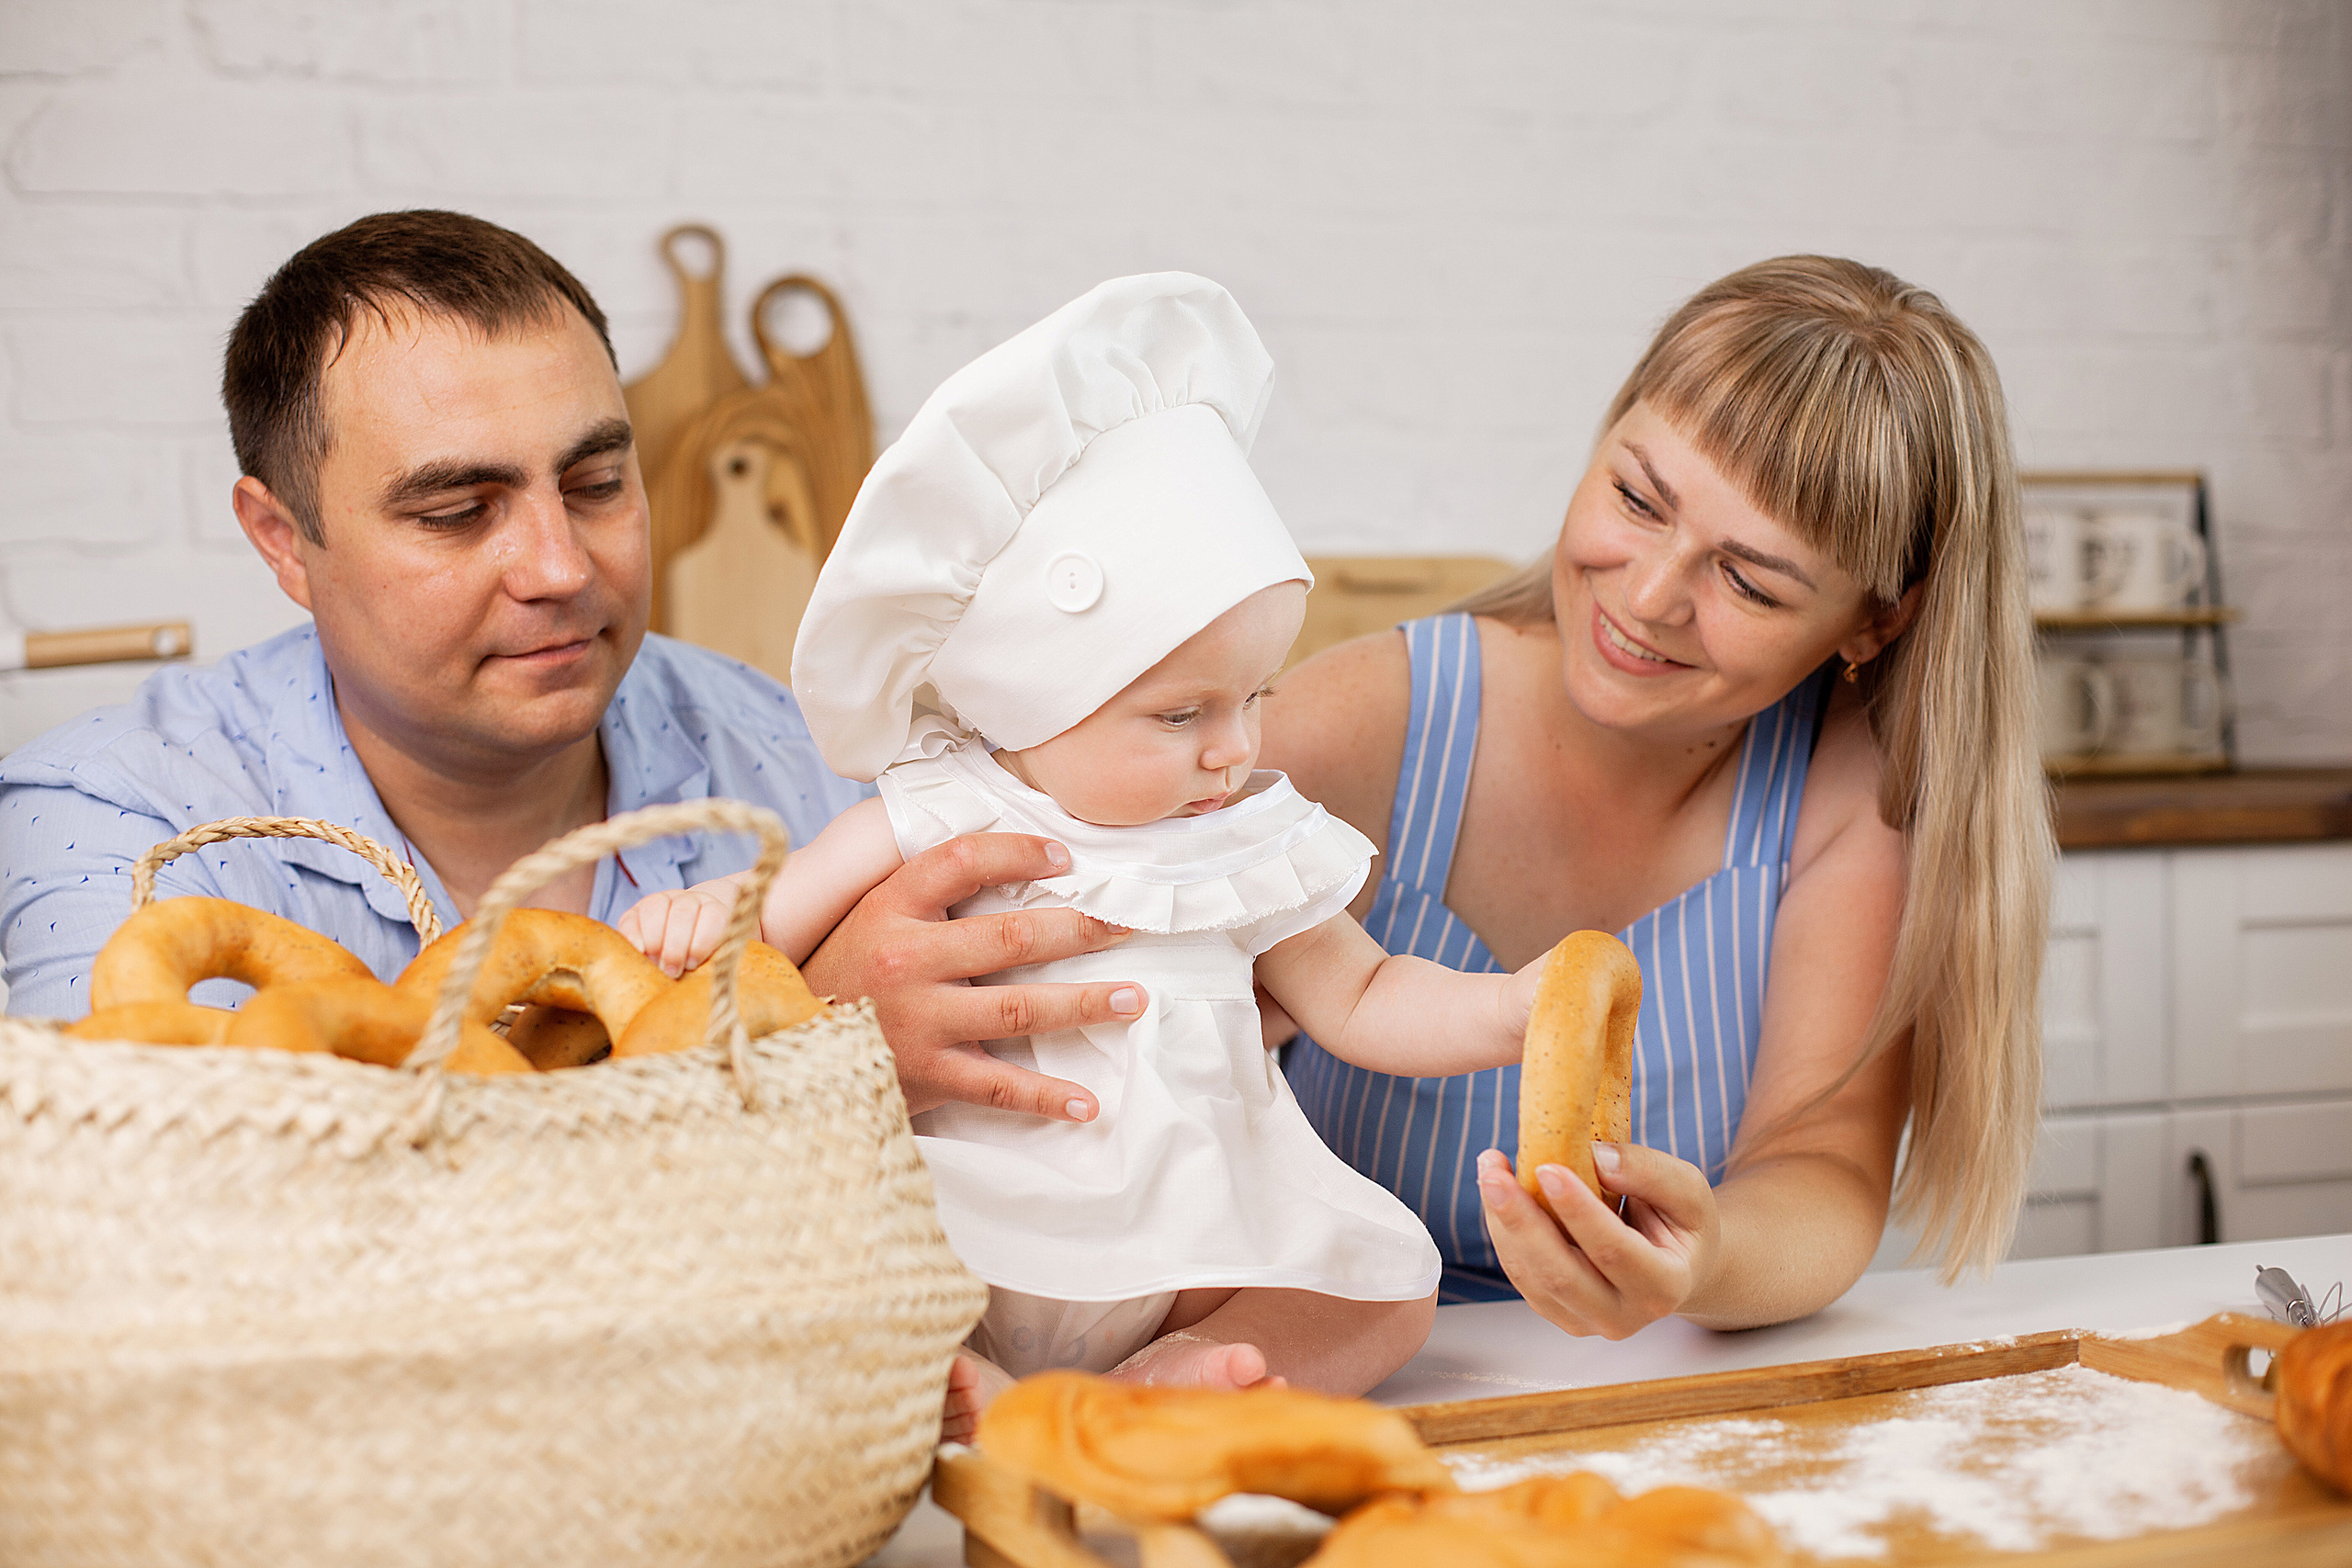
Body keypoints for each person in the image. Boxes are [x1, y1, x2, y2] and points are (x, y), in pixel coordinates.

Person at [622, 275, 1550, 1438]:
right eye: (1182, 715)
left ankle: (1156, 1382)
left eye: (1254, 696)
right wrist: (699, 921)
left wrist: (1516, 1013)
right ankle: (955, 1374)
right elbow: (772, 927)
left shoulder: (1242, 836)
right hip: (968, 1218)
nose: (1236, 747)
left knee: (1387, 1295)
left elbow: (1362, 995)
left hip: (1185, 1236)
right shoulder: (943, 803)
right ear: (1033, 700)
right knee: (810, 1266)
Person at [0, 211, 1146, 1127]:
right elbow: (157, 1218)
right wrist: (822, 1061)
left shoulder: (812, 762)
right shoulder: (112, 821)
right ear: (284, 542)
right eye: (457, 512)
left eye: (596, 485)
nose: (560, 567)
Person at [1263, 256, 2051, 1333]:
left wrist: (1706, 1260)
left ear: (1875, 622)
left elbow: (1822, 1170)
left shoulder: (1846, 803)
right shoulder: (1362, 723)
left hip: (1645, 1385)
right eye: (1637, 499)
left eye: (1749, 580)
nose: (1646, 597)